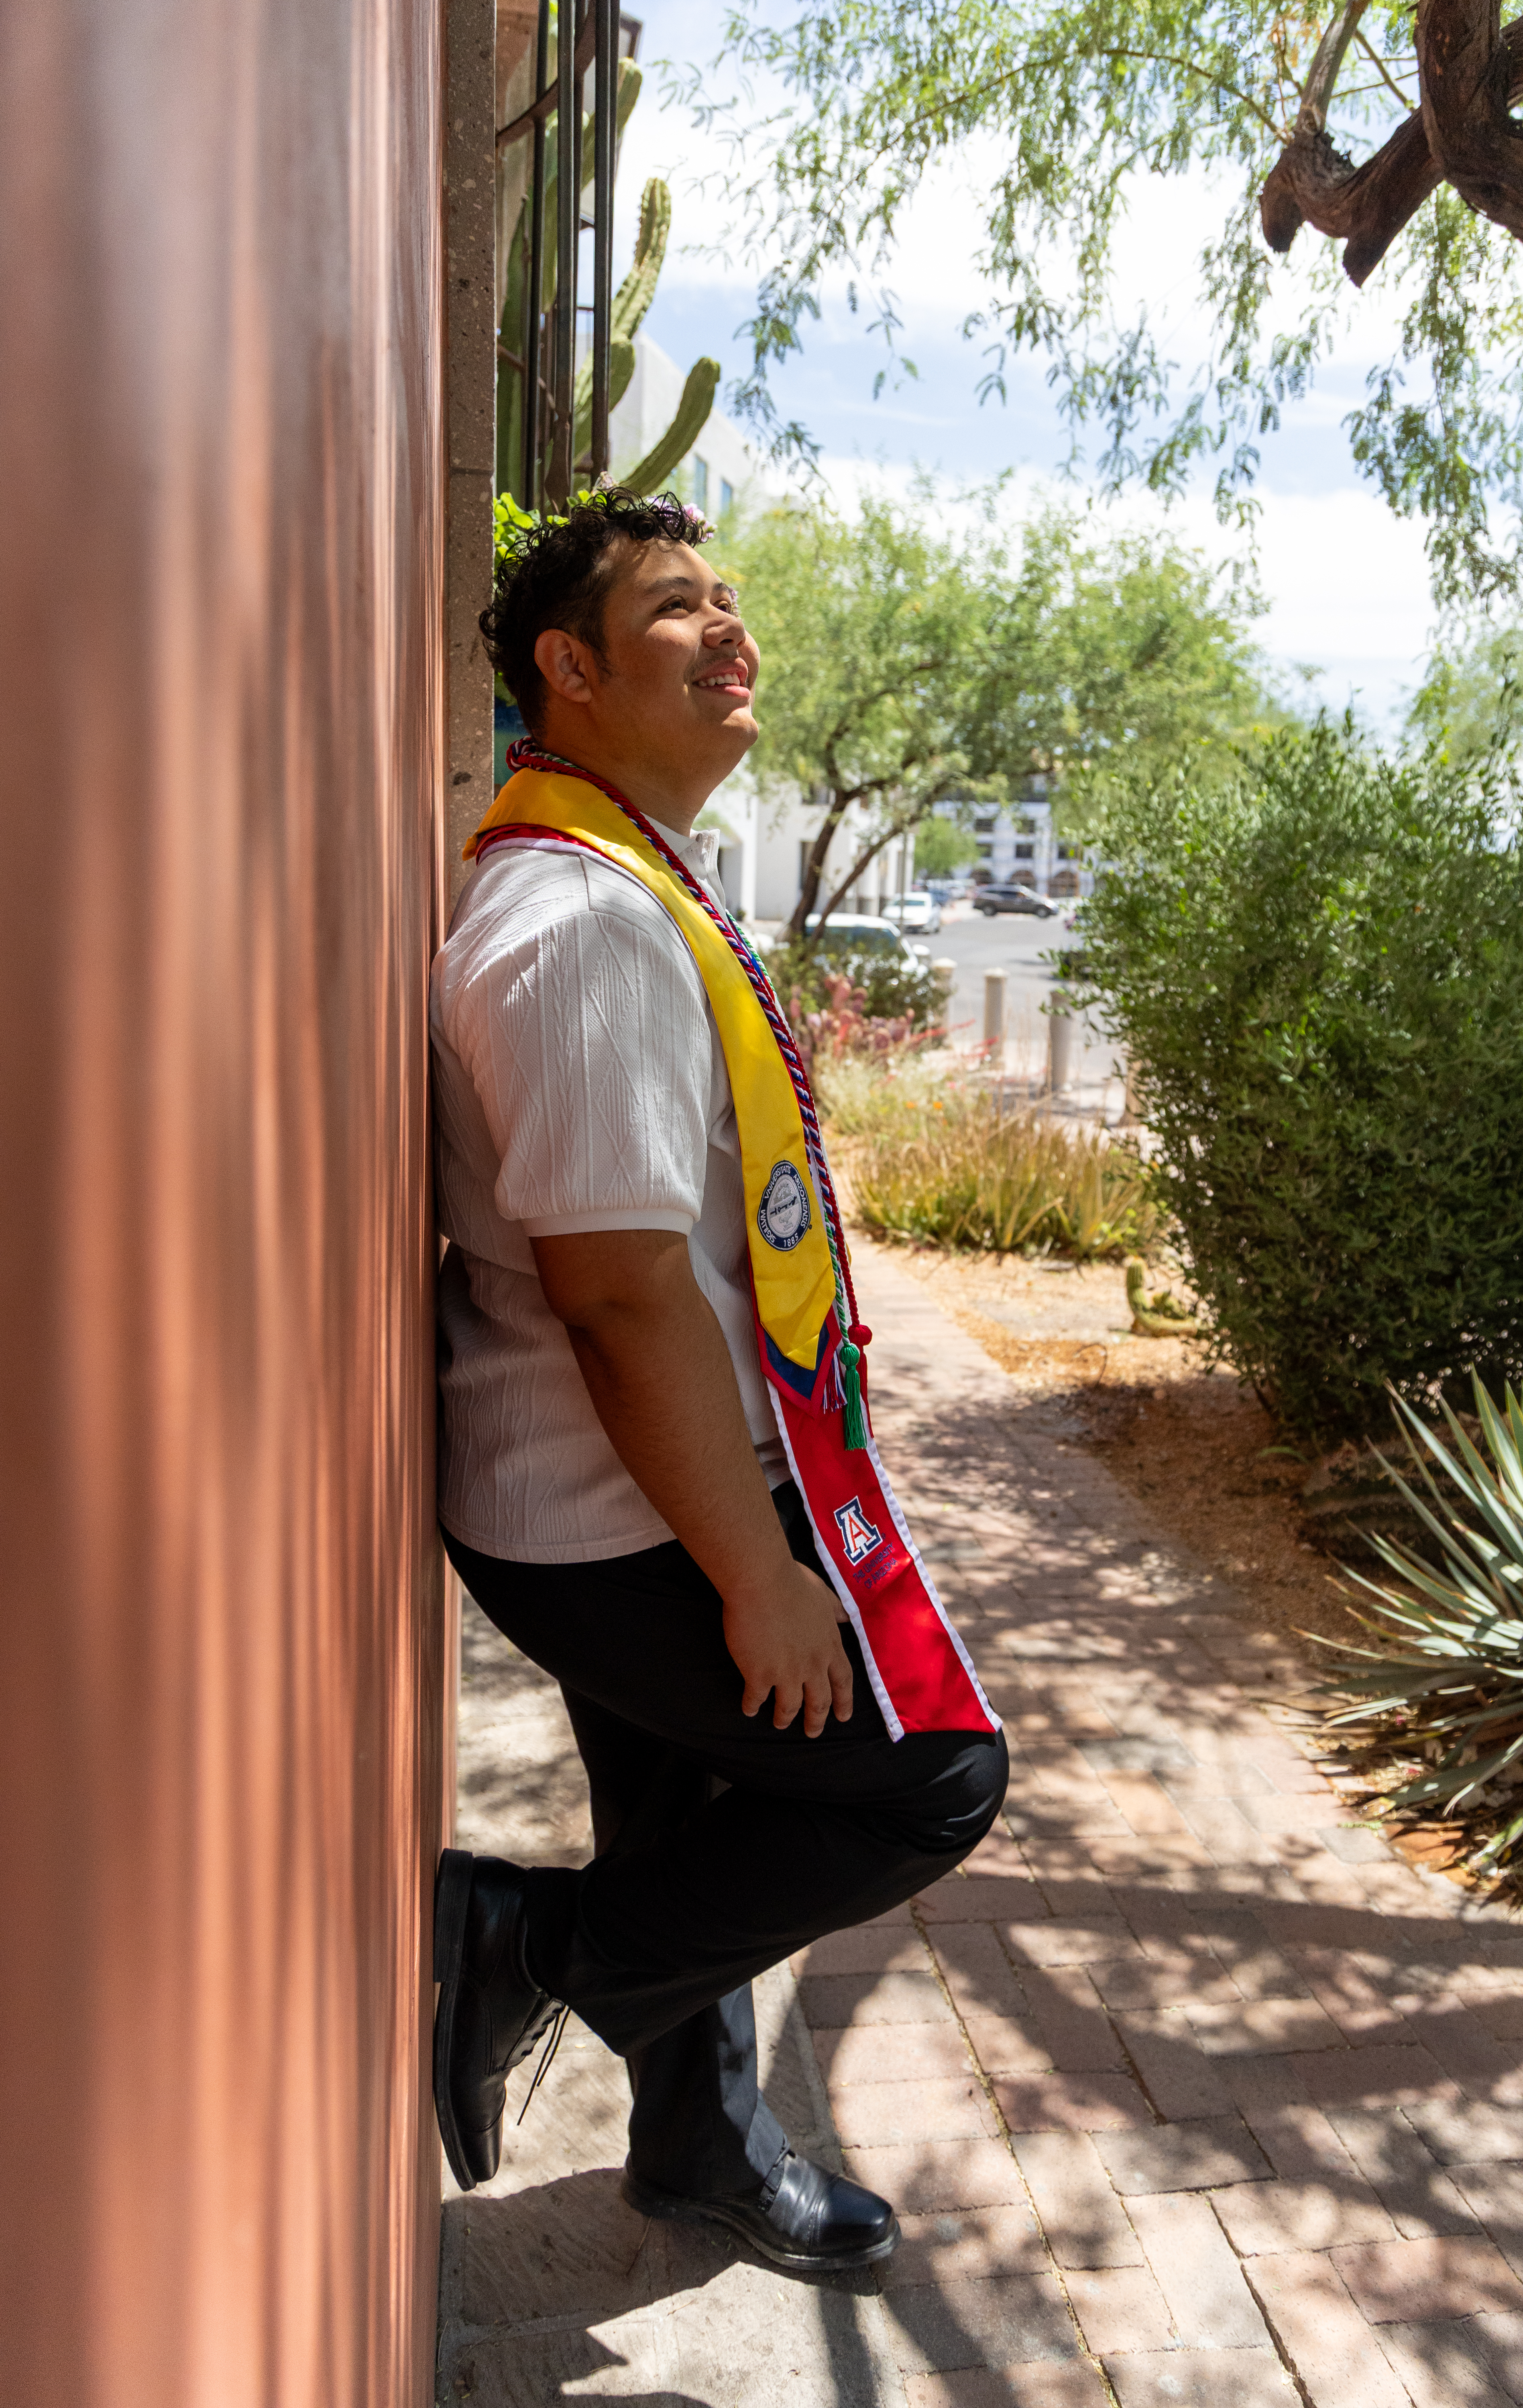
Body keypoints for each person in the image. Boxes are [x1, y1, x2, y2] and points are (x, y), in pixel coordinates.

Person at [430, 489, 1008, 2273]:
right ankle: (522, 1950)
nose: (733, 629)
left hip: (624, 1481)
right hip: (618, 1508)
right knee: (926, 1785)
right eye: (682, 606)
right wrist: (759, 1579)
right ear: (572, 669)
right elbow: (616, 1300)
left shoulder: (618, 882)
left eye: (731, 596)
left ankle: (696, 2146)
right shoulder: (587, 928)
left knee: (686, 1812)